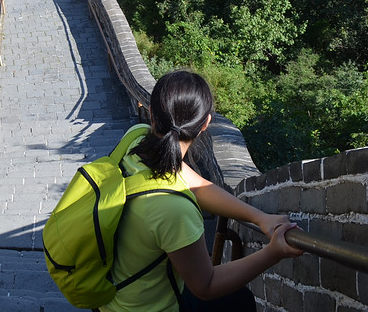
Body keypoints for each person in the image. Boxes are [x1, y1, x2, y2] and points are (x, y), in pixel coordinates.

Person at [102, 70, 301, 312]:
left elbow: (197, 186)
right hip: (144, 308)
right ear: (206, 123)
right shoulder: (173, 208)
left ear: (151, 113)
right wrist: (274, 252)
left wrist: (261, 219)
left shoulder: (134, 140)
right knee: (239, 303)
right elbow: (206, 286)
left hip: (111, 295)